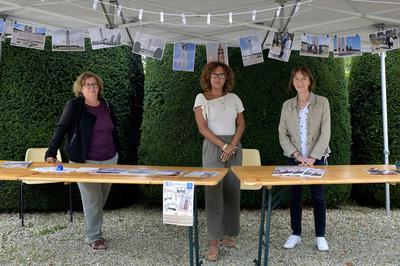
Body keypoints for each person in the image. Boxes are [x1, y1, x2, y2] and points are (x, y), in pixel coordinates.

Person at [45, 71, 119, 251]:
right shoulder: (75, 106)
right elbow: (61, 128)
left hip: (110, 160)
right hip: (84, 162)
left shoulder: (107, 105)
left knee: (100, 199)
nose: (92, 87)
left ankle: (93, 228)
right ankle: (94, 237)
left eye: (94, 84)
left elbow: (114, 129)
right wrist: (50, 152)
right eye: (88, 85)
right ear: (81, 89)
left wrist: (118, 152)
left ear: (99, 87)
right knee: (93, 200)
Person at [193, 61, 245, 261]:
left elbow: (241, 123)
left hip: (234, 146)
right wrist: (223, 146)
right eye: (214, 74)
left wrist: (232, 145)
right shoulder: (201, 98)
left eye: (222, 74)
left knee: (232, 190)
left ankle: (228, 234)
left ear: (227, 78)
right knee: (213, 193)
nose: (218, 77)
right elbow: (202, 128)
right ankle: (213, 242)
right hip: (213, 147)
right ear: (208, 77)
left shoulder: (234, 98)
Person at [278, 67, 331, 252]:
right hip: (294, 159)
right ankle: (296, 234)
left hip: (317, 159)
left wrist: (313, 157)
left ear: (310, 81)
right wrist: (297, 155)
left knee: (318, 197)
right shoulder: (287, 105)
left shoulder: (322, 103)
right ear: (292, 82)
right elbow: (282, 134)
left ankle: (320, 236)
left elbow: (326, 133)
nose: (300, 82)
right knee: (295, 197)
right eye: (296, 79)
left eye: (303, 78)